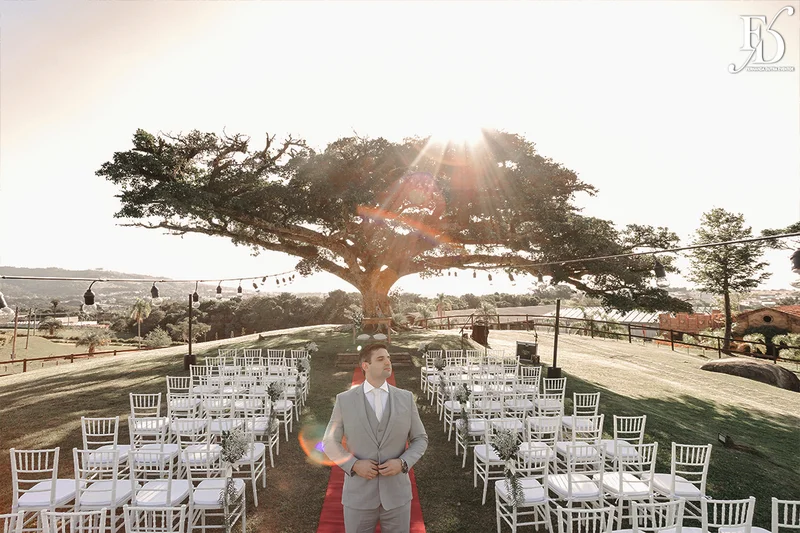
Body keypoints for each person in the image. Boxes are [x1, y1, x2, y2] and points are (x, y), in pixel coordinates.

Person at [323, 342, 428, 533]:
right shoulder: (344, 400)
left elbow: (420, 438)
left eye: (388, 357)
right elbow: (329, 441)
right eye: (381, 359)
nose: (388, 361)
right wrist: (353, 465)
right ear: (365, 366)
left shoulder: (406, 398)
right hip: (358, 497)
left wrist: (403, 463)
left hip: (397, 497)